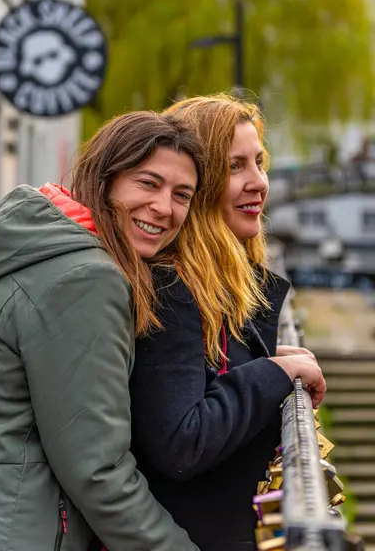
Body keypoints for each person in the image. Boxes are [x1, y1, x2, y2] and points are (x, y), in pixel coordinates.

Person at [0, 111, 205, 551]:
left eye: (183, 195)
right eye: (147, 183)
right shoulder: (87, 279)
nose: (164, 208)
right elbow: (98, 471)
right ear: (104, 180)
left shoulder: (33, 245)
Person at [130, 95, 326, 551]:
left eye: (258, 162)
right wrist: (274, 373)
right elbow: (182, 439)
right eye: (235, 166)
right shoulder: (173, 288)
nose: (259, 182)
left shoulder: (208, 282)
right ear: (198, 182)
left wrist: (265, 359)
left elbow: (202, 379)